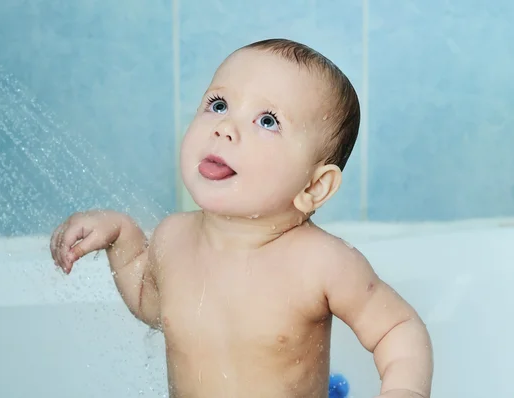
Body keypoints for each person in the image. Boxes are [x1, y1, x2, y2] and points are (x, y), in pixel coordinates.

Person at [50, 38, 433, 398]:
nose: (225, 128)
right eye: (218, 105)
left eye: (267, 121)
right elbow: (153, 307)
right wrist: (121, 238)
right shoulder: (173, 237)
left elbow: (396, 329)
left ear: (314, 187)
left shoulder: (322, 264)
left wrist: (403, 390)